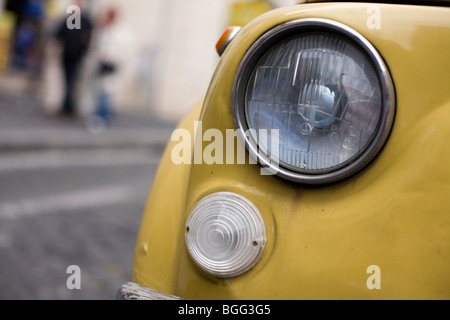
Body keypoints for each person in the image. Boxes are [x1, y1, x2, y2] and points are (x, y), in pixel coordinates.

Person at [55, 0, 93, 116]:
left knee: (72, 80)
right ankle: (68, 105)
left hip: (76, 55)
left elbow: (87, 37)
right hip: (69, 54)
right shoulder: (71, 19)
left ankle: (69, 105)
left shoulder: (83, 20)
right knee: (69, 80)